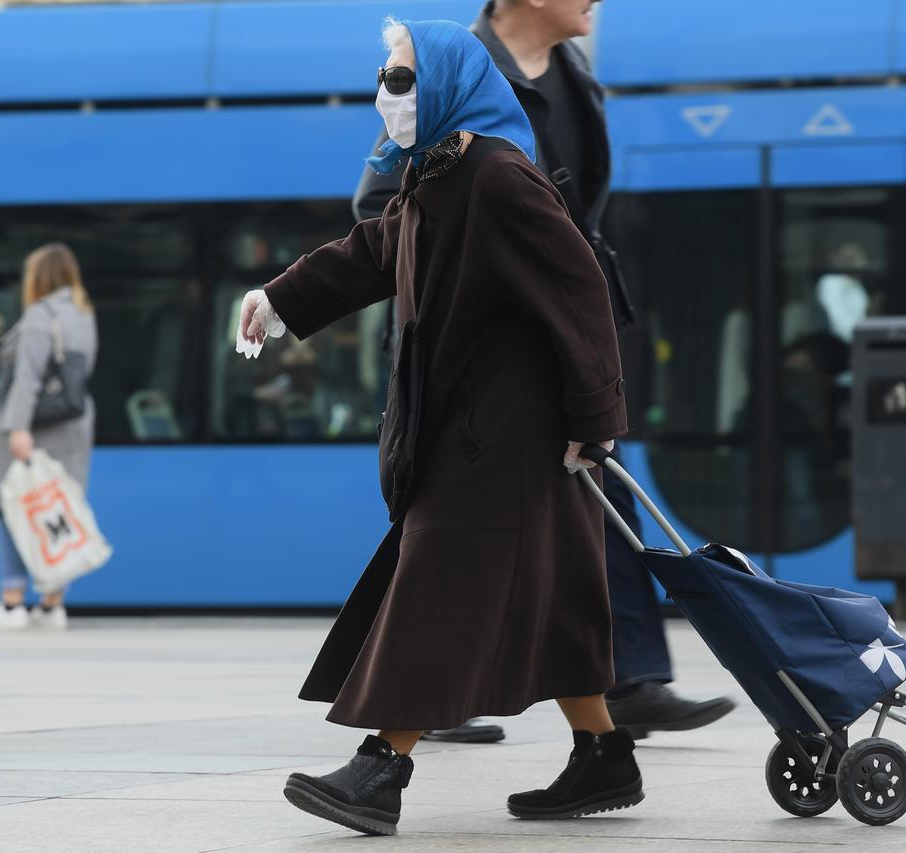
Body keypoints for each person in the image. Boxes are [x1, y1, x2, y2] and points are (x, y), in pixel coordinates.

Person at [240, 19, 643, 836]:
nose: (387, 94)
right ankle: (603, 753)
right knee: (558, 596)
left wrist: (595, 420)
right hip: (484, 427)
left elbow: (581, 292)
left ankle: (379, 770)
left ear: (452, 81)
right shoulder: (442, 177)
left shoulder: (500, 179)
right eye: (386, 77)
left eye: (401, 78)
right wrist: (280, 298)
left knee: (437, 588)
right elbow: (375, 247)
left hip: (507, 435)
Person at [354, 0, 734, 745]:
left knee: (532, 530)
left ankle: (605, 707)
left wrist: (590, 393)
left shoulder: (574, 79)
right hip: (476, 356)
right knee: (487, 536)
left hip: (549, 348)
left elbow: (578, 239)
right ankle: (587, 725)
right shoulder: (451, 71)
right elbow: (382, 214)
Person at [0, 243, 98, 631]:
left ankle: (11, 604)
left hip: (37, 426)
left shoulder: (42, 316)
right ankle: (52, 604)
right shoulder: (82, 313)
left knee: (11, 506)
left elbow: (28, 378)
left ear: (39, 277)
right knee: (58, 508)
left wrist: (17, 427)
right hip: (73, 425)